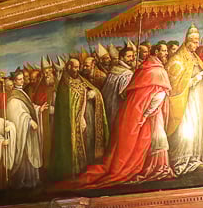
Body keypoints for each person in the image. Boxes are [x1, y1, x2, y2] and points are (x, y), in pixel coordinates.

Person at [74, 52, 173, 186]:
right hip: (148, 115)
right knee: (156, 139)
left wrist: (139, 112)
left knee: (151, 140)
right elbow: (152, 97)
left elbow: (134, 97)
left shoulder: (122, 73)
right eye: (129, 56)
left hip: (130, 114)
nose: (132, 59)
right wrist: (144, 115)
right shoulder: (133, 74)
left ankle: (156, 167)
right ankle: (158, 167)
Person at [165, 26, 203, 175]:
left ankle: (196, 159)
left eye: (197, 42)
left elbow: (202, 76)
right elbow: (174, 87)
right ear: (187, 41)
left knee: (198, 128)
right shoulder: (176, 60)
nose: (197, 45)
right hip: (185, 103)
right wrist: (195, 80)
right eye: (194, 42)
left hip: (198, 100)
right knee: (186, 130)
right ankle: (182, 161)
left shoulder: (195, 57)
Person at [48, 56, 106, 181]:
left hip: (84, 119)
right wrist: (77, 117)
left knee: (86, 141)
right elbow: (65, 106)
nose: (77, 69)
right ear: (69, 67)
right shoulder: (64, 84)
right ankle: (74, 169)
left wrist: (94, 94)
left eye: (78, 67)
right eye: (75, 67)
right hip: (71, 122)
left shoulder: (81, 79)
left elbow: (92, 90)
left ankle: (85, 165)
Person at [5, 70, 43, 189]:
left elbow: (28, 106)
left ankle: (32, 182)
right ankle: (22, 183)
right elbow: (16, 114)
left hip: (27, 132)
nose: (22, 81)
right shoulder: (14, 97)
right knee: (24, 157)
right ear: (15, 81)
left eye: (22, 79)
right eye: (19, 79)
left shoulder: (21, 92)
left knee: (29, 155)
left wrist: (38, 109)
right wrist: (29, 120)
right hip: (23, 132)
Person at [101, 45, 136, 127]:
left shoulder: (114, 69)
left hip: (109, 106)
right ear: (121, 58)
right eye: (129, 56)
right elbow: (124, 94)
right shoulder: (127, 74)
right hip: (118, 108)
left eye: (133, 56)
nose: (132, 58)